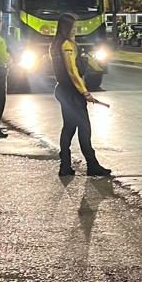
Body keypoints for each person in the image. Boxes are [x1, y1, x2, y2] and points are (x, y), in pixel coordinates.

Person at [50, 13, 112, 177]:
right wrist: (84, 92)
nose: (75, 30)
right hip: (71, 93)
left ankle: (65, 166)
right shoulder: (66, 45)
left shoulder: (57, 44)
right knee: (84, 128)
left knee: (69, 128)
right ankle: (92, 165)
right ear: (67, 28)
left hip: (65, 91)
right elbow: (72, 72)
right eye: (73, 27)